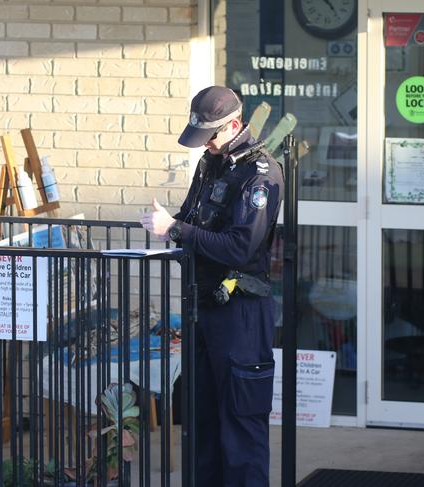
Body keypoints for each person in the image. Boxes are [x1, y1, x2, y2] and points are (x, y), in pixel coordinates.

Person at [140, 86, 284, 487]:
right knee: (200, 422)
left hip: (240, 311)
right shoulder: (210, 163)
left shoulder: (261, 174)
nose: (209, 145)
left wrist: (177, 229)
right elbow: (190, 218)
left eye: (213, 137)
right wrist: (168, 227)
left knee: (240, 425)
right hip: (203, 307)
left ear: (235, 125)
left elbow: (241, 246)